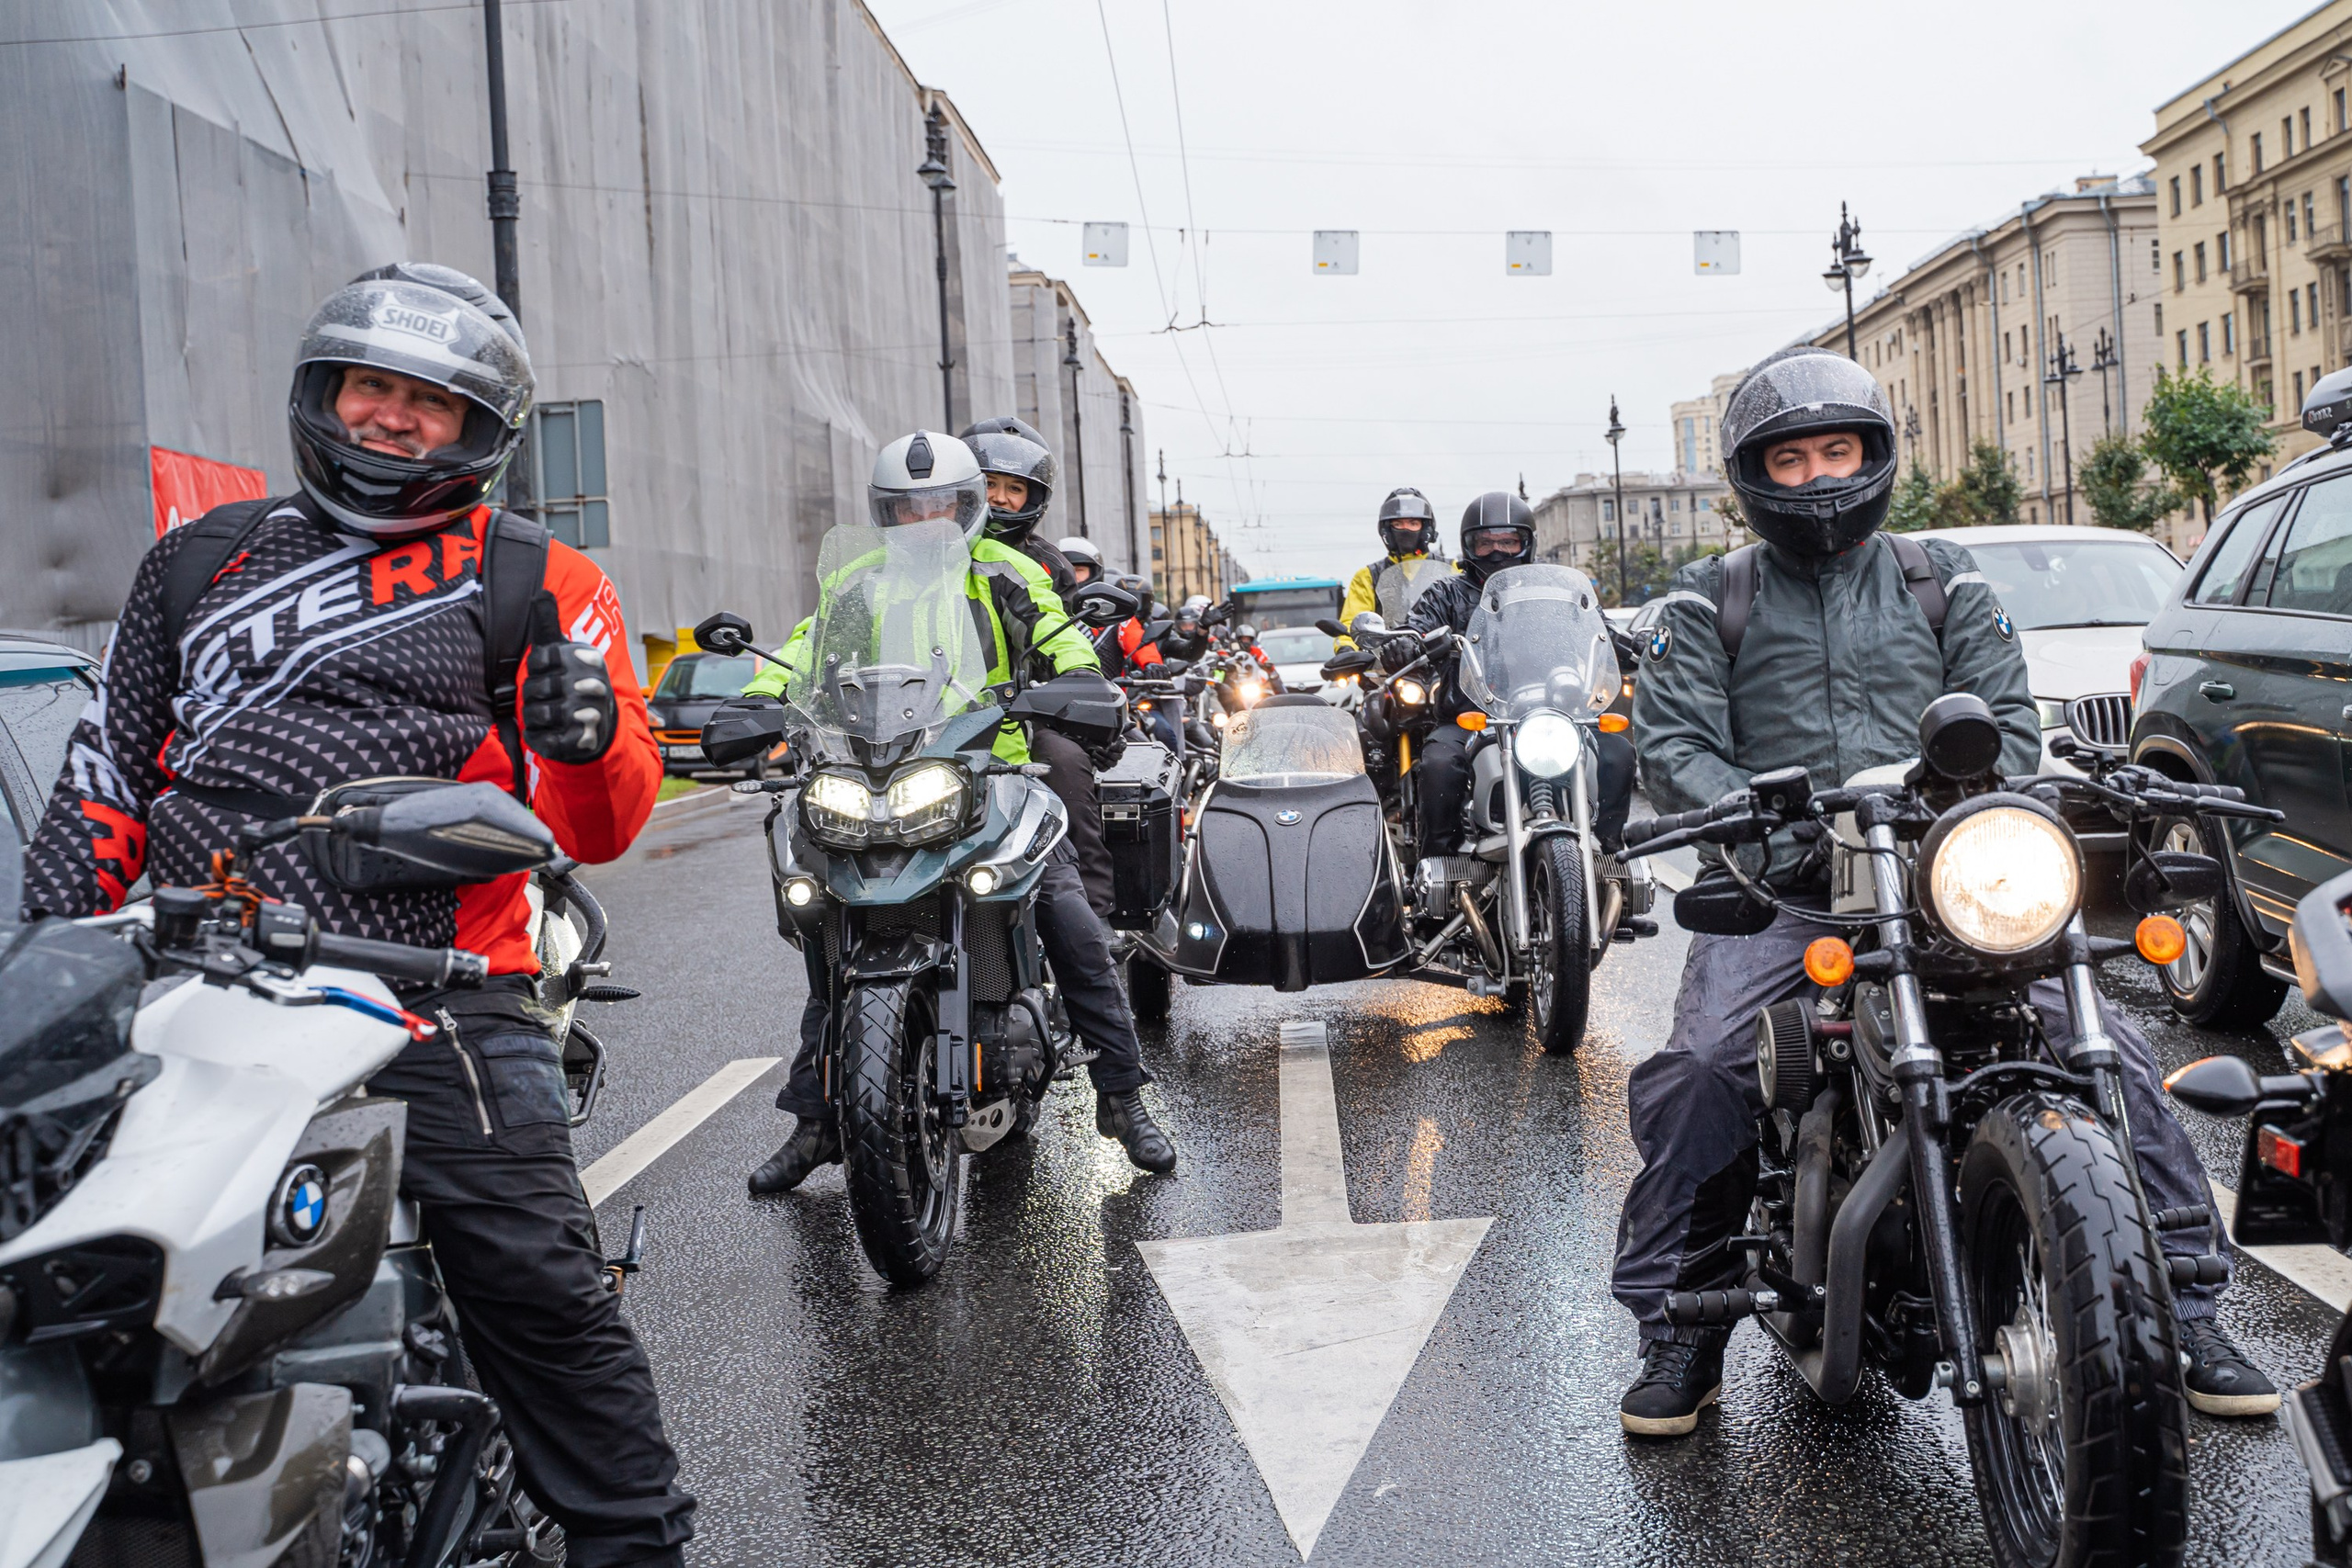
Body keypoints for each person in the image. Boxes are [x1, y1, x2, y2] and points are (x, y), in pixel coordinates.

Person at [20, 263, 696, 1566]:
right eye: (370, 387)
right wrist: (50, 953)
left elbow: (605, 822)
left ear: (476, 431)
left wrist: (594, 731)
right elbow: (110, 769)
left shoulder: (539, 577)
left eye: (427, 403)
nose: (390, 418)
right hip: (185, 967)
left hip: (434, 985)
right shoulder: (200, 556)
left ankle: (638, 1539)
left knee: (533, 1278)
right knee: (63, 1254)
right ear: (323, 394)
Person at [1612, 345, 2276, 1437]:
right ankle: (1682, 1321)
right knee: (1707, 1066)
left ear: (1874, 456)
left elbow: (2012, 725)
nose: (1819, 476)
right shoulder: (1707, 600)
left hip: (1949, 875)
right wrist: (1771, 830)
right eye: (1791, 458)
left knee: (2097, 1041)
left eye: (1837, 449)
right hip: (1798, 887)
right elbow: (1676, 743)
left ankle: (2184, 1307)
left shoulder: (1946, 582)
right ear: (1754, 477)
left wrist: (1997, 806)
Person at [742, 432, 1176, 1193]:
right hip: (881, 770)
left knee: (1066, 911)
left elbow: (1059, 637)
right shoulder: (855, 583)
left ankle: (1122, 1093)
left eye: (941, 503)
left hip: (993, 767)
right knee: (835, 921)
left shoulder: (1004, 573)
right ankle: (815, 1120)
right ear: (885, 514)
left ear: (968, 506)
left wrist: (1078, 682)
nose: (926, 519)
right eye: (907, 507)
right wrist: (752, 703)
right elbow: (806, 653)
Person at [1383, 491, 1635, 857]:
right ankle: (1437, 864)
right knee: (1439, 763)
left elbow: (1599, 627)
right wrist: (1405, 642)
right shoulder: (1447, 593)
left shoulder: (1557, 590)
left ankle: (1611, 853)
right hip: (1472, 717)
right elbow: (1417, 626)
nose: (1497, 552)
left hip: (1557, 713)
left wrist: (1628, 642)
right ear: (1468, 546)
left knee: (1618, 752)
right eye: (1484, 543)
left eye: (1507, 541)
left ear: (1526, 544)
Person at [955, 418, 1119, 918]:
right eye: (989, 484)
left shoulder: (1046, 565)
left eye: (1014, 488)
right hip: (930, 720)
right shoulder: (917, 556)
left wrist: (1077, 682)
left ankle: (1094, 911)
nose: (1000, 498)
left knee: (1064, 763)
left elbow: (1060, 635)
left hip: (1027, 715)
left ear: (1034, 498)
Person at [1337, 487, 1453, 647]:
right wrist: (1346, 648)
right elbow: (1352, 623)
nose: (1405, 529)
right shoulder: (1368, 576)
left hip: (1443, 659)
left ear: (1426, 527)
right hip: (1386, 664)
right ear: (1387, 530)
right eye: (1398, 524)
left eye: (1413, 523)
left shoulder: (1452, 569)